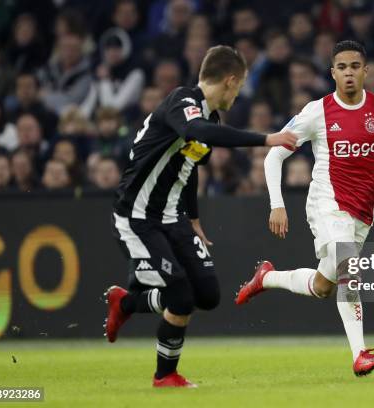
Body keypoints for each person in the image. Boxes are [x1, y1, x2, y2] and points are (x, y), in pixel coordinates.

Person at [235, 41, 374, 376]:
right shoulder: (317, 111)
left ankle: (266, 277)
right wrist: (277, 204)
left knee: (324, 286)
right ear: (332, 73)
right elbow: (274, 154)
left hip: (362, 212)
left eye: (355, 66)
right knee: (350, 270)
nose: (349, 73)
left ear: (365, 71)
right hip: (327, 204)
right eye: (342, 67)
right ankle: (359, 354)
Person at [102, 45, 297, 388]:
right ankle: (165, 376)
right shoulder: (182, 102)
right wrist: (267, 138)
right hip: (137, 216)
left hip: (172, 216)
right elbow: (199, 134)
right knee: (180, 296)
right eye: (238, 87)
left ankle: (128, 301)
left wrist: (193, 217)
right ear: (230, 80)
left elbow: (189, 164)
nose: (237, 95)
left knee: (207, 295)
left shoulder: (210, 118)